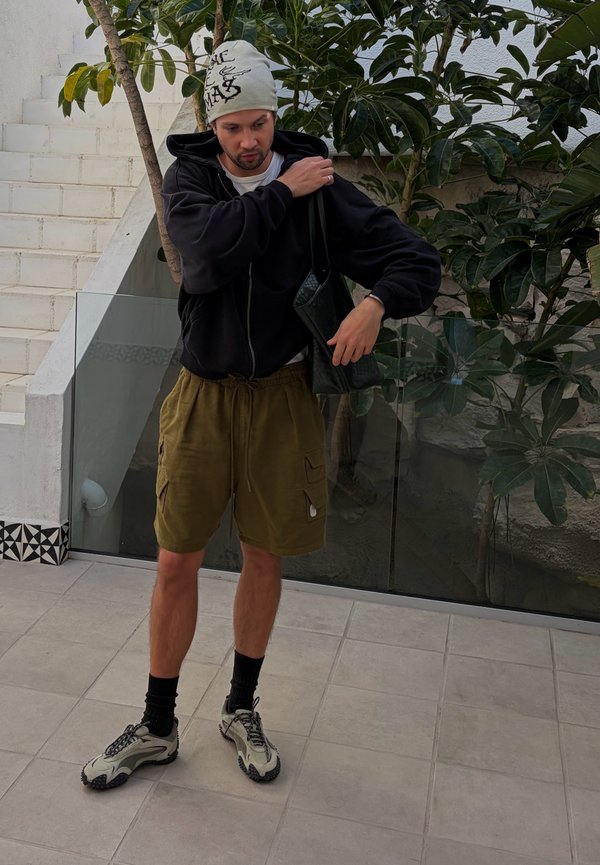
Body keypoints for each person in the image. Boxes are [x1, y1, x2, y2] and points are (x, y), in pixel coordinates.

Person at [81, 39, 441, 791]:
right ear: (213, 126)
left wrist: (375, 302)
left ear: (276, 116)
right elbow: (206, 256)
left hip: (283, 397)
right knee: (176, 557)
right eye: (233, 127)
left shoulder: (323, 187)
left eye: (261, 124)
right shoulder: (193, 179)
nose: (249, 141)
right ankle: (157, 722)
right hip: (203, 395)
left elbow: (416, 260)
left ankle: (241, 707)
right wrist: (281, 194)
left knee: (265, 555)